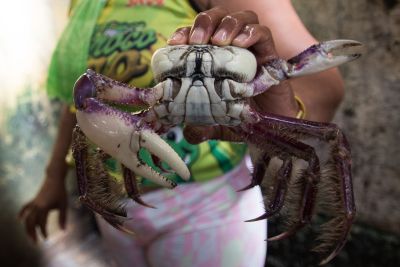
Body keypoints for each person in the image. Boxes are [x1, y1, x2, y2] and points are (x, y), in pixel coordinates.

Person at [19, 0, 345, 266]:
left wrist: (276, 118)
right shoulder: (85, 4)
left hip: (208, 209)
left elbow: (321, 91)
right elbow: (81, 101)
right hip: (120, 207)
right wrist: (53, 178)